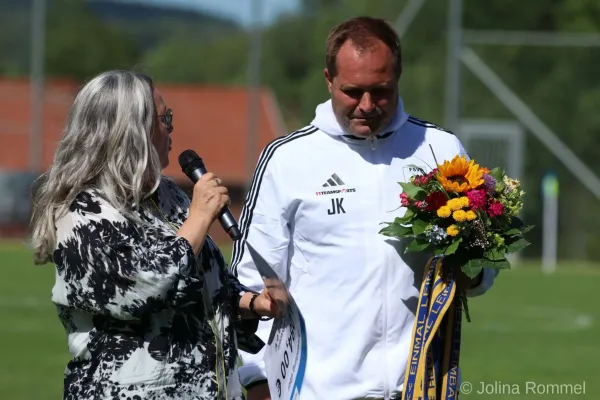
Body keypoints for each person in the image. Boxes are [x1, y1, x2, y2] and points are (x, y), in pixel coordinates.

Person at [231, 16, 498, 400]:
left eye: (381, 91)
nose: (367, 106)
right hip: (318, 391)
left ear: (398, 76)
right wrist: (255, 378)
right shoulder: (287, 159)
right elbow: (251, 283)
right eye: (353, 91)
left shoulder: (441, 151)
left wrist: (474, 272)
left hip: (421, 389)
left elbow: (481, 269)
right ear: (328, 80)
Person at [29, 70, 280, 400]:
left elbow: (201, 282)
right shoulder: (82, 212)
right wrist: (199, 218)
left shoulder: (168, 194)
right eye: (165, 118)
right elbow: (143, 287)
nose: (172, 128)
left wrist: (253, 303)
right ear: (132, 129)